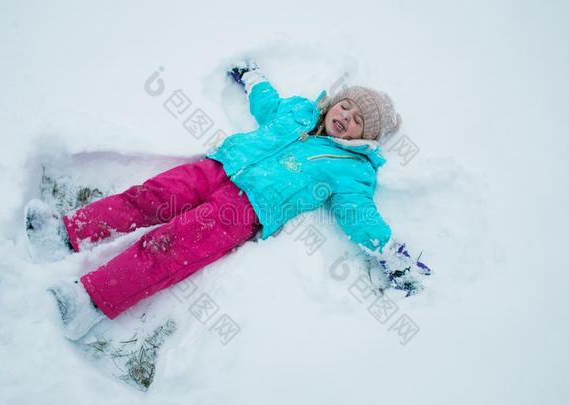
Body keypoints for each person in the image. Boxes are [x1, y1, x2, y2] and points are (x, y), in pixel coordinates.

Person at [26, 60, 430, 341]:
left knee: (168, 246)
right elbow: (267, 105)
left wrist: (390, 253)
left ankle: (89, 300)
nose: (347, 116)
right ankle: (64, 234)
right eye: (347, 106)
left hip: (244, 210)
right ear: (335, 102)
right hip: (218, 166)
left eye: (359, 120)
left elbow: (358, 213)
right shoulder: (298, 110)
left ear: (364, 137)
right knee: (147, 197)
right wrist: (254, 78)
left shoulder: (352, 169)